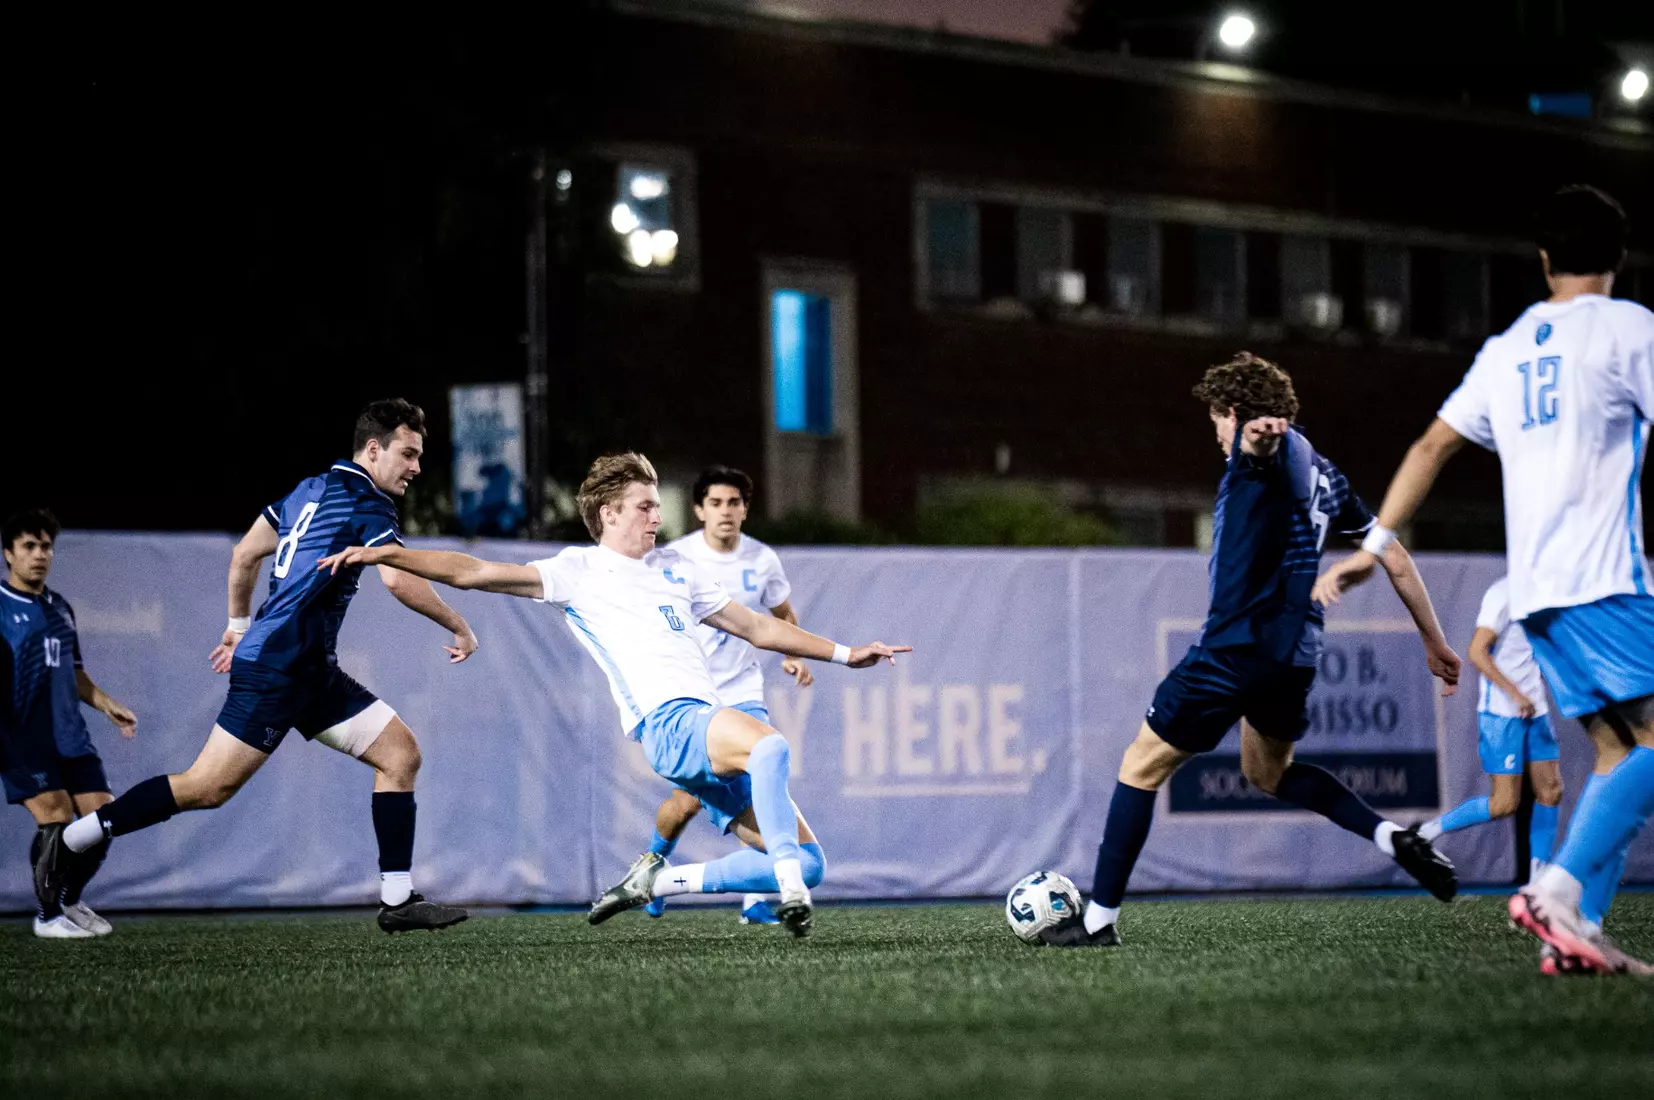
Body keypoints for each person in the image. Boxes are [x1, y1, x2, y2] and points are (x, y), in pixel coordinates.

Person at [316, 452, 910, 938]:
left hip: (705, 725)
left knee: (813, 861)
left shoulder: (678, 572)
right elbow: (473, 570)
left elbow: (758, 627)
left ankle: (661, 881)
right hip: (669, 725)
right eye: (646, 505)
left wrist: (842, 652)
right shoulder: (580, 571)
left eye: (657, 504)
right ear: (609, 512)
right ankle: (788, 890)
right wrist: (390, 553)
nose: (658, 516)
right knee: (771, 748)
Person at [1315, 185, 1653, 976]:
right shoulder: (1630, 327)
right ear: (1620, 258)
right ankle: (1556, 892)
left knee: (1614, 752)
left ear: (1543, 261)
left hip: (1535, 595)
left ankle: (1578, 934)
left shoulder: (1506, 349)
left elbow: (1433, 445)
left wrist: (1375, 544)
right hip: (1603, 578)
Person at [1044, 352, 1462, 949]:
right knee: (1268, 773)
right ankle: (1392, 837)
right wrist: (1433, 640)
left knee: (1138, 766)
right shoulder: (1324, 472)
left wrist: (1256, 440)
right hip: (1294, 659)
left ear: (1235, 413)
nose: (1215, 433)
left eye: (1217, 419)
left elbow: (1257, 458)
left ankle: (1098, 921)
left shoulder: (1257, 459)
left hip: (1235, 650)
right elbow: (1393, 554)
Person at [51, 399, 478, 933]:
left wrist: (236, 626)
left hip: (308, 671)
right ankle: (72, 839)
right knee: (206, 788)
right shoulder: (369, 501)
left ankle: (398, 899)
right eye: (408, 453)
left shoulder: (308, 489)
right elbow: (398, 578)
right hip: (278, 669)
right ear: (374, 450)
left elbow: (244, 555)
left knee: (400, 754)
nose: (416, 467)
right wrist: (458, 624)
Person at [640, 465, 812, 926]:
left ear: (745, 509)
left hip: (743, 692)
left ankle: (753, 902)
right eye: (715, 503)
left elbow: (782, 613)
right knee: (686, 803)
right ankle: (654, 864)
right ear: (698, 510)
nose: (725, 511)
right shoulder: (672, 558)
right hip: (691, 699)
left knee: (763, 781)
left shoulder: (762, 560)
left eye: (734, 503)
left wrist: (794, 655)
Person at [3, 509, 138, 938]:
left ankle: (69, 900)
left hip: (71, 735)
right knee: (57, 818)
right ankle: (46, 917)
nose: (39, 555)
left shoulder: (60, 607)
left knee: (103, 822)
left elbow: (74, 672)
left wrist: (105, 703)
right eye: (29, 546)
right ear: (8, 554)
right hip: (21, 735)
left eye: (45, 546)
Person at [1417, 577, 1562, 882]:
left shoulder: (1548, 588)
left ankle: (1538, 882)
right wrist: (1514, 693)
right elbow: (1477, 651)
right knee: (1505, 803)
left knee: (1551, 791)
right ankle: (1427, 833)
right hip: (1503, 712)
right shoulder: (1504, 592)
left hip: (1536, 708)